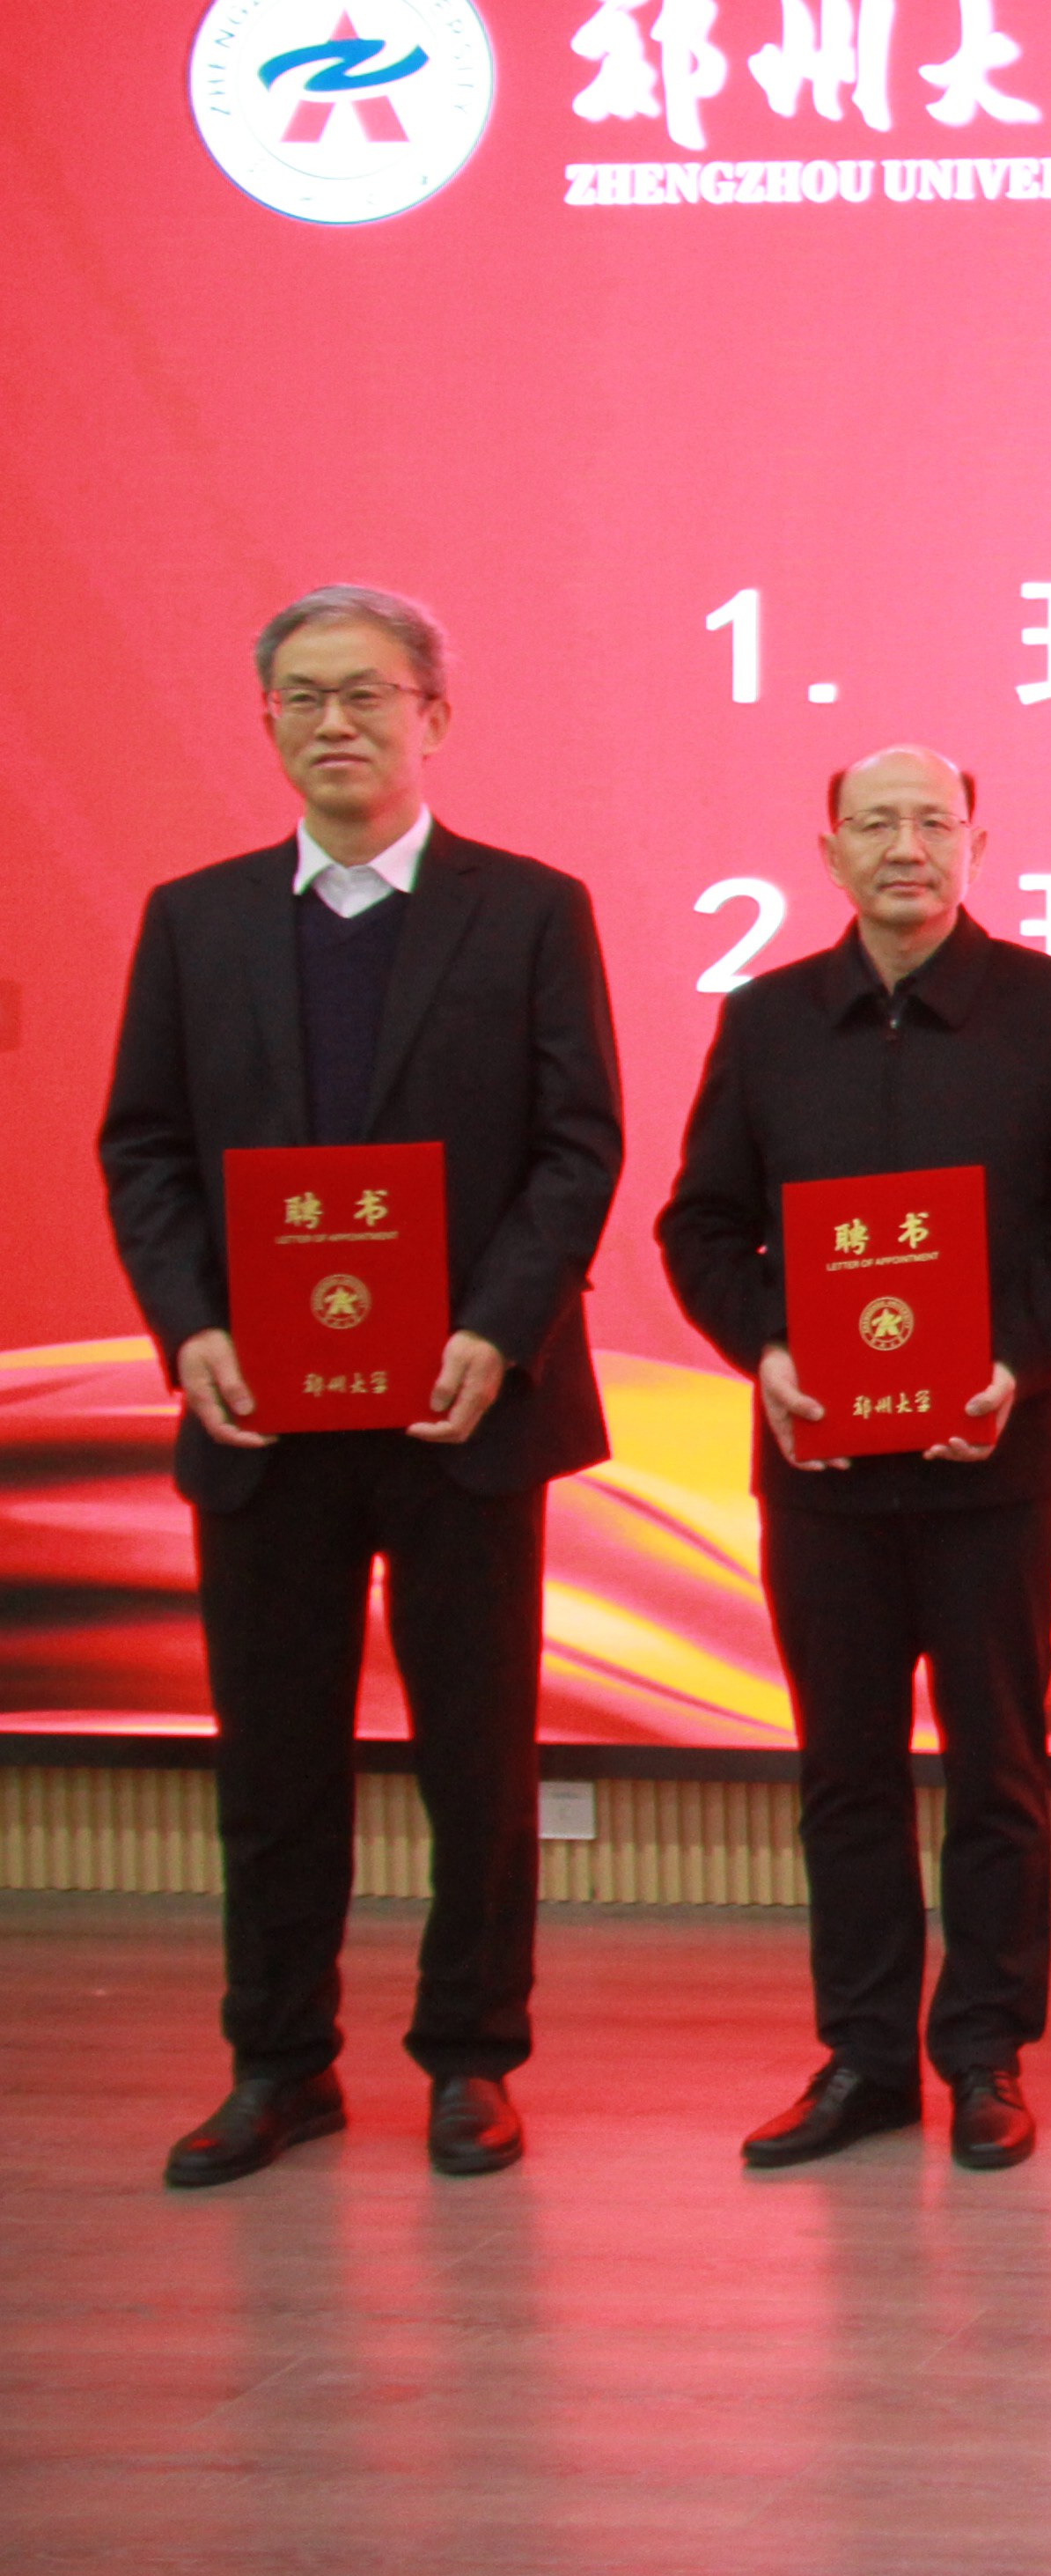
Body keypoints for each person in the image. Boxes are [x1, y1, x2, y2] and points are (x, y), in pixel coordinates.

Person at [99, 585, 623, 2186]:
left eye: (368, 693)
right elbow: (145, 1148)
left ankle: (471, 2058)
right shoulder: (194, 919)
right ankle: (279, 2061)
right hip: (261, 1410)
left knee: (480, 1754)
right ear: (268, 721)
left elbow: (578, 1145)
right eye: (304, 696)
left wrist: (499, 1330)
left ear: (431, 717)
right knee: (273, 1759)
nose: (335, 721)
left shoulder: (527, 910)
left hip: (463, 1406)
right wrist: (189, 1327)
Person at [654, 747, 1051, 2172]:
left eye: (934, 822)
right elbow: (700, 1225)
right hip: (823, 1470)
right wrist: (767, 1349)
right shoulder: (767, 1022)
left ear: (976, 844)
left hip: (993, 1459)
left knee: (997, 1767)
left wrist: (1015, 1361)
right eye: (876, 824)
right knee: (846, 1773)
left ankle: (986, 2052)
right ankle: (864, 2058)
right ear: (830, 853)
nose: (907, 847)